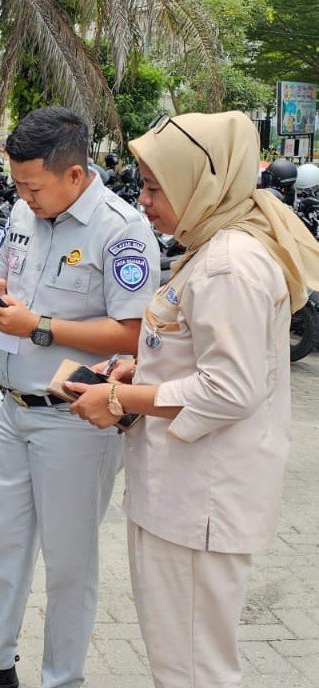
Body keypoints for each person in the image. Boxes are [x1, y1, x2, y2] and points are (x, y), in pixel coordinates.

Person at [67, 111, 319, 688]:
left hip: (199, 502)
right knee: (182, 661)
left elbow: (230, 388)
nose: (144, 200)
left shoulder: (229, 265)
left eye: (156, 187)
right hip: (182, 496)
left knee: (193, 670)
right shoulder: (213, 246)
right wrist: (138, 370)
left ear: (200, 184)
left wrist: (121, 398)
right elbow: (208, 358)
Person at [0, 107, 160, 688]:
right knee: (4, 545)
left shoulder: (121, 230)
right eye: (19, 185)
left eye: (34, 186)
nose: (24, 197)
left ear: (74, 174)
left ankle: (62, 679)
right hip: (12, 408)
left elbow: (134, 332)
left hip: (75, 419)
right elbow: (0, 265)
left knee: (69, 563)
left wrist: (40, 327)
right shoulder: (25, 212)